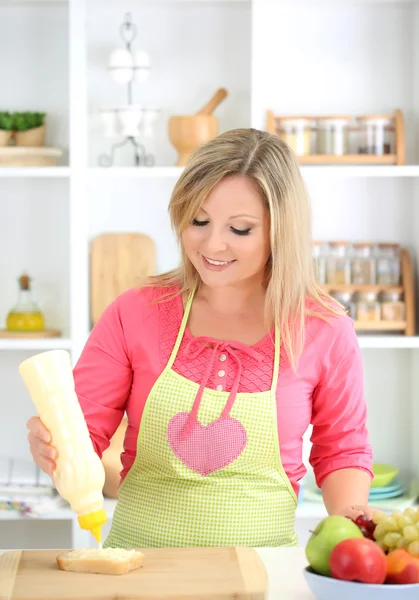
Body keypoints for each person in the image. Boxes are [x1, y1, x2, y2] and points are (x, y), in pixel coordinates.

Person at [27, 128, 373, 549]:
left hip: (263, 577)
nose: (213, 244)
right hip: (139, 570)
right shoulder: (136, 311)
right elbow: (82, 436)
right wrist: (53, 448)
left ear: (281, 231)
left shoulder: (324, 328)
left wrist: (355, 520)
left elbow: (341, 450)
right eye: (199, 221)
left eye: (240, 230)